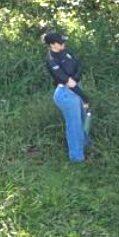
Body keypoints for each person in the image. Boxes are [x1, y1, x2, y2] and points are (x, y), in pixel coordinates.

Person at [43, 31, 89, 163]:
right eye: (61, 42)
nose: (64, 44)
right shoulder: (52, 60)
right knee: (74, 125)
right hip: (66, 93)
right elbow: (67, 82)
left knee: (84, 118)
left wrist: (75, 78)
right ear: (52, 45)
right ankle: (76, 158)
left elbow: (79, 64)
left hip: (77, 87)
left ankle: (86, 146)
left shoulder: (65, 51)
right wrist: (85, 98)